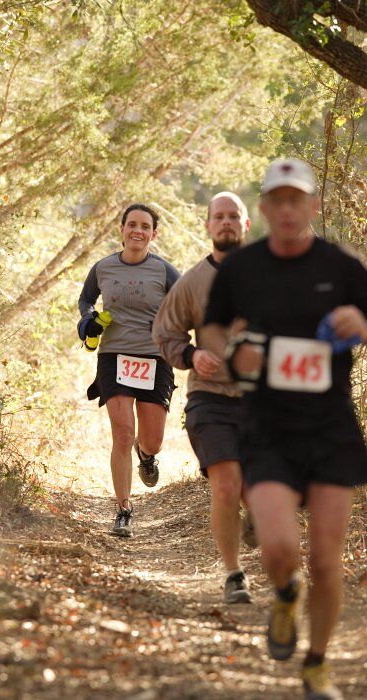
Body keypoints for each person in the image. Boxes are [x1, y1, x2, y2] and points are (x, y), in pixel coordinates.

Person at [202, 158, 367, 699]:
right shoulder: (242, 269)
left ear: (313, 207)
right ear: (267, 209)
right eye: (280, 200)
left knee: (325, 558)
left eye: (300, 199)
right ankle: (284, 593)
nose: (291, 209)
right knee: (278, 551)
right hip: (268, 428)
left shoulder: (342, 268)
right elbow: (211, 325)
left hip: (330, 429)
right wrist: (229, 354)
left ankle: (316, 664)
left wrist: (361, 322)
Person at [152, 192, 256, 605]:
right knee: (226, 485)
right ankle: (234, 575)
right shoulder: (193, 282)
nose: (227, 222)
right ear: (208, 226)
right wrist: (192, 354)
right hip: (210, 399)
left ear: (246, 224)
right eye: (219, 216)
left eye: (234, 215)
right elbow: (165, 333)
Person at [78, 204, 180, 537]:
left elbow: (185, 305)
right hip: (114, 357)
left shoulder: (165, 272)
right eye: (131, 224)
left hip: (155, 358)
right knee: (123, 433)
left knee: (151, 440)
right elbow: (86, 300)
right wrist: (87, 320)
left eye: (145, 226)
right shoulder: (103, 267)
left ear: (154, 233)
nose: (138, 230)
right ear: (121, 229)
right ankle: (123, 509)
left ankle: (147, 457)